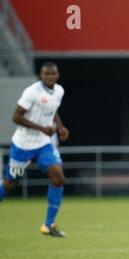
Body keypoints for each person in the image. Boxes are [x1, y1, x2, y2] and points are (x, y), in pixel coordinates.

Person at [0, 62, 69, 237]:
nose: (50, 77)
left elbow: (53, 110)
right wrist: (41, 128)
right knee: (10, 183)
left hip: (44, 144)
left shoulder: (59, 91)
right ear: (41, 75)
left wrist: (60, 127)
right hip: (23, 145)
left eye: (53, 74)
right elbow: (16, 117)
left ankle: (48, 225)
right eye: (46, 74)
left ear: (57, 75)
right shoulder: (32, 92)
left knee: (58, 176)